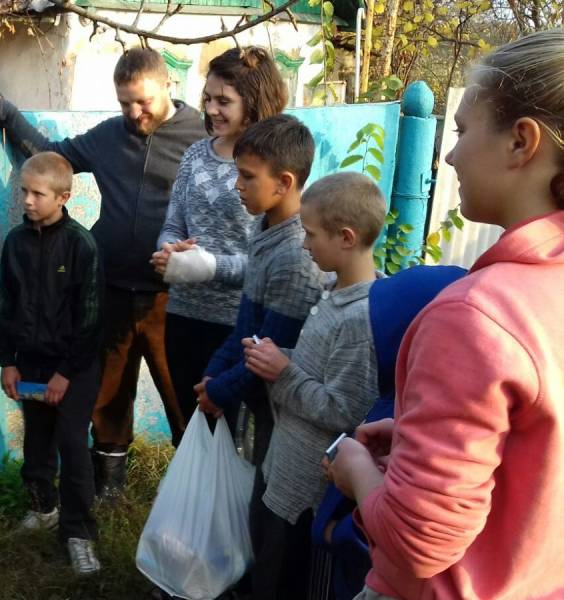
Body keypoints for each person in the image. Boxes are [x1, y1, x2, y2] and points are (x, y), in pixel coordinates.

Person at [328, 29, 564, 600]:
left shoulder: (476, 315)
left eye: (461, 131)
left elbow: (416, 543)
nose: (451, 154)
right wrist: (420, 445)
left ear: (521, 142)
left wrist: (355, 468)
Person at [0, 47, 207, 499]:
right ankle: (108, 491)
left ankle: (193, 497)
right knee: (108, 398)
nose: (134, 113)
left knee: (183, 396)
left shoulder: (201, 136)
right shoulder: (110, 135)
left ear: (168, 87)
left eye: (144, 101)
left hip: (171, 297)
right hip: (109, 289)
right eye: (124, 103)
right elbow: (52, 157)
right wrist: (5, 112)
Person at [239, 171, 385, 598]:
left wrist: (282, 372)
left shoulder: (359, 320)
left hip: (307, 495)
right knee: (264, 569)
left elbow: (345, 411)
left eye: (310, 235)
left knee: (285, 582)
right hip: (281, 471)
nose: (304, 244)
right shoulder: (331, 292)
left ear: (345, 237)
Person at [150, 46, 288, 439]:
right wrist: (169, 251)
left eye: (223, 101)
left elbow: (269, 261)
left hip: (238, 327)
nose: (210, 109)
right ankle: (195, 502)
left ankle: (230, 504)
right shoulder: (195, 154)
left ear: (254, 102)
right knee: (190, 433)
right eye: (207, 99)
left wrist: (208, 266)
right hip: (183, 316)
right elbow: (174, 221)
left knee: (230, 439)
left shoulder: (270, 169)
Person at [310, 264, 466, 600]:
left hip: (368, 565)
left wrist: (340, 527)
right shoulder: (397, 400)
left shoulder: (425, 413)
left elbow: (415, 521)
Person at [0, 152, 104, 575]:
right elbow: (7, 305)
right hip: (30, 363)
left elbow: (91, 318)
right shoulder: (15, 244)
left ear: (63, 197)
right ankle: (43, 507)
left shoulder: (82, 245)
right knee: (36, 441)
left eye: (37, 193)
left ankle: (78, 533)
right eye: (23, 191)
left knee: (73, 446)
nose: (27, 200)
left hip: (74, 368)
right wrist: (8, 361)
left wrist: (65, 373)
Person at [196, 114, 323, 465]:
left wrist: (220, 390)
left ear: (283, 182)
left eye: (247, 176)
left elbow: (270, 350)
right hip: (258, 404)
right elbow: (245, 326)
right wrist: (215, 371)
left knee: (264, 505)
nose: (237, 185)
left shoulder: (297, 255)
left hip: (281, 414)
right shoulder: (266, 228)